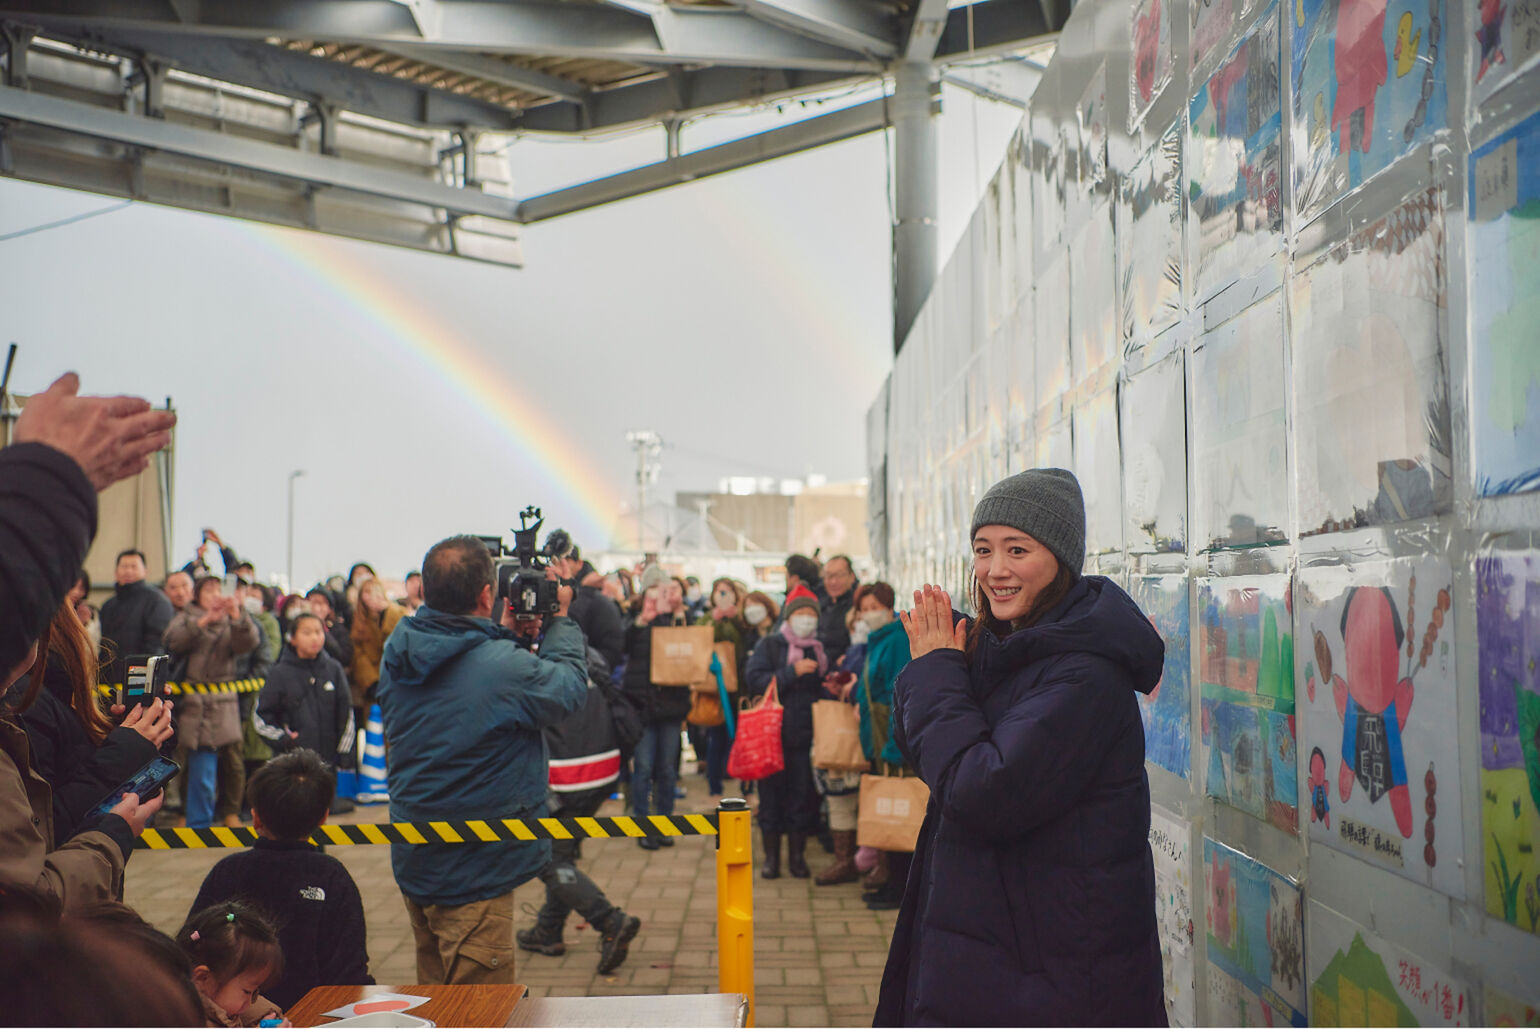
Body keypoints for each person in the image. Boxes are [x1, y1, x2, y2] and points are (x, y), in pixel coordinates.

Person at [874, 468, 1166, 1026]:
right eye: (983, 550)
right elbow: (930, 754)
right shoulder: (1009, 647)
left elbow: (984, 793)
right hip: (999, 948)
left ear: (1059, 557)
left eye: (1017, 549)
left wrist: (937, 673)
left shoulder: (1084, 676)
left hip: (1050, 971)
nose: (995, 570)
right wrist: (944, 666)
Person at [0, 371, 175, 912]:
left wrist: (110, 734)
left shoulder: (40, 700)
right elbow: (36, 885)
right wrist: (112, 828)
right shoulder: (21, 710)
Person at [378, 535, 587, 985]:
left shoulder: (402, 645)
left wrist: (503, 635)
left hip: (419, 854)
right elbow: (567, 689)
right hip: (474, 868)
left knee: (435, 1003)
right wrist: (562, 620)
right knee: (480, 1013)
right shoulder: (500, 667)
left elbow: (462, 680)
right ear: (487, 595)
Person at [190, 749, 374, 1009]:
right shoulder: (332, 877)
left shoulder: (227, 871)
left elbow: (191, 946)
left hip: (231, 1016)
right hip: (318, 1018)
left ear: (255, 818)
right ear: (323, 817)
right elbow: (351, 974)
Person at [510, 617, 642, 974]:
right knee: (563, 852)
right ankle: (548, 930)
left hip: (565, 778)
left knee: (549, 861)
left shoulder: (532, 660)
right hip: (601, 772)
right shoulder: (586, 653)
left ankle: (610, 920)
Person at [8, 602, 174, 844]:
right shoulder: (22, 701)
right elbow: (42, 828)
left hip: (81, 871)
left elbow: (74, 767)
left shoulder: (52, 691)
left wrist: (131, 735)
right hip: (66, 873)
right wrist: (125, 751)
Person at [164, 577, 260, 829]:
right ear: (197, 595)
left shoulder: (234, 617)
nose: (215, 595)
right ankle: (190, 814)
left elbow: (248, 644)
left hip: (225, 699)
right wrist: (205, 620)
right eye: (208, 591)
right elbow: (173, 642)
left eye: (219, 590)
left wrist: (235, 614)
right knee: (190, 761)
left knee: (233, 761)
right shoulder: (187, 616)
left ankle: (230, 812)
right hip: (192, 700)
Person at [744, 584, 826, 878]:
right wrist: (791, 673)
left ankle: (797, 858)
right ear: (789, 618)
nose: (806, 619)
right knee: (771, 800)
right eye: (800, 613)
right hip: (771, 737)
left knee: (801, 799)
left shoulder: (819, 648)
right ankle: (771, 860)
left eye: (810, 614)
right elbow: (754, 679)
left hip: (806, 738)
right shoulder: (772, 645)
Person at [846, 582, 912, 907]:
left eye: (874, 607)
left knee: (898, 815)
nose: (867, 614)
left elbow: (901, 695)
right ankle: (891, 881)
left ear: (889, 607)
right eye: (863, 608)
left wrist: (893, 749)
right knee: (888, 815)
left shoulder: (897, 640)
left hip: (894, 748)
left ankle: (901, 889)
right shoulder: (878, 640)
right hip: (880, 743)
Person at [622, 564, 691, 850]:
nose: (660, 594)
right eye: (655, 588)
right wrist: (641, 620)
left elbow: (690, 648)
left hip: (672, 704)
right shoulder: (635, 615)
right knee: (644, 767)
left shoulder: (675, 617)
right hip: (641, 703)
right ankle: (643, 825)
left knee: (667, 768)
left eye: (665, 589)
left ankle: (664, 824)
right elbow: (622, 646)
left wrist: (677, 614)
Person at [254, 614, 355, 795]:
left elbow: (346, 713)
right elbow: (262, 717)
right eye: (307, 633)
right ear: (292, 639)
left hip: (327, 766)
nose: (315, 638)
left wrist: (345, 752)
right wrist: (285, 741)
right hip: (291, 768)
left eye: (318, 632)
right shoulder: (279, 673)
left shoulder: (334, 669)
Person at [176, 901, 286, 1027]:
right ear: (202, 978)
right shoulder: (183, 1020)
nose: (249, 1003)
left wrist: (271, 1018)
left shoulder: (220, 1001)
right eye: (247, 991)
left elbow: (256, 1010)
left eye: (255, 992)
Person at [699, 578, 750, 799]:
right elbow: (699, 641)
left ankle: (740, 782)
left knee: (739, 735)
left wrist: (735, 619)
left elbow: (747, 642)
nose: (723, 596)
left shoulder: (742, 619)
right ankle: (714, 785)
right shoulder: (707, 619)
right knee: (716, 736)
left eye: (728, 592)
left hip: (738, 687)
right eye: (719, 592)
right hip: (714, 687)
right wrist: (714, 620)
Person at [552, 546, 625, 671]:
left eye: (565, 561)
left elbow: (573, 633)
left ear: (579, 563)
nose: (558, 567)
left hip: (597, 666)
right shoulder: (585, 591)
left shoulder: (584, 595)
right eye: (555, 562)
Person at [98, 548, 174, 665]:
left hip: (140, 674)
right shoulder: (108, 605)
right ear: (116, 572)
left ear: (145, 571)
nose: (128, 571)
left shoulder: (157, 600)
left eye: (134, 567)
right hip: (109, 677)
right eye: (124, 566)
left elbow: (157, 644)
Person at [349, 578, 405, 712]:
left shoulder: (396, 613)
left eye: (374, 591)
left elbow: (401, 640)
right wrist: (372, 682)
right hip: (372, 684)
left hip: (395, 680)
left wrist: (386, 611)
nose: (370, 597)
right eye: (366, 592)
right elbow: (358, 654)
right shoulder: (358, 620)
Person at [817, 554, 860, 664]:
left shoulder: (859, 606)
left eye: (840, 575)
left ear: (852, 576)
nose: (833, 582)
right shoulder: (819, 604)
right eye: (828, 576)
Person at [305, 587, 354, 668]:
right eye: (313, 602)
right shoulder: (297, 628)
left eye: (322, 603)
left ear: (329, 609)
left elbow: (344, 656)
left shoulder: (338, 629)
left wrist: (323, 630)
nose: (317, 607)